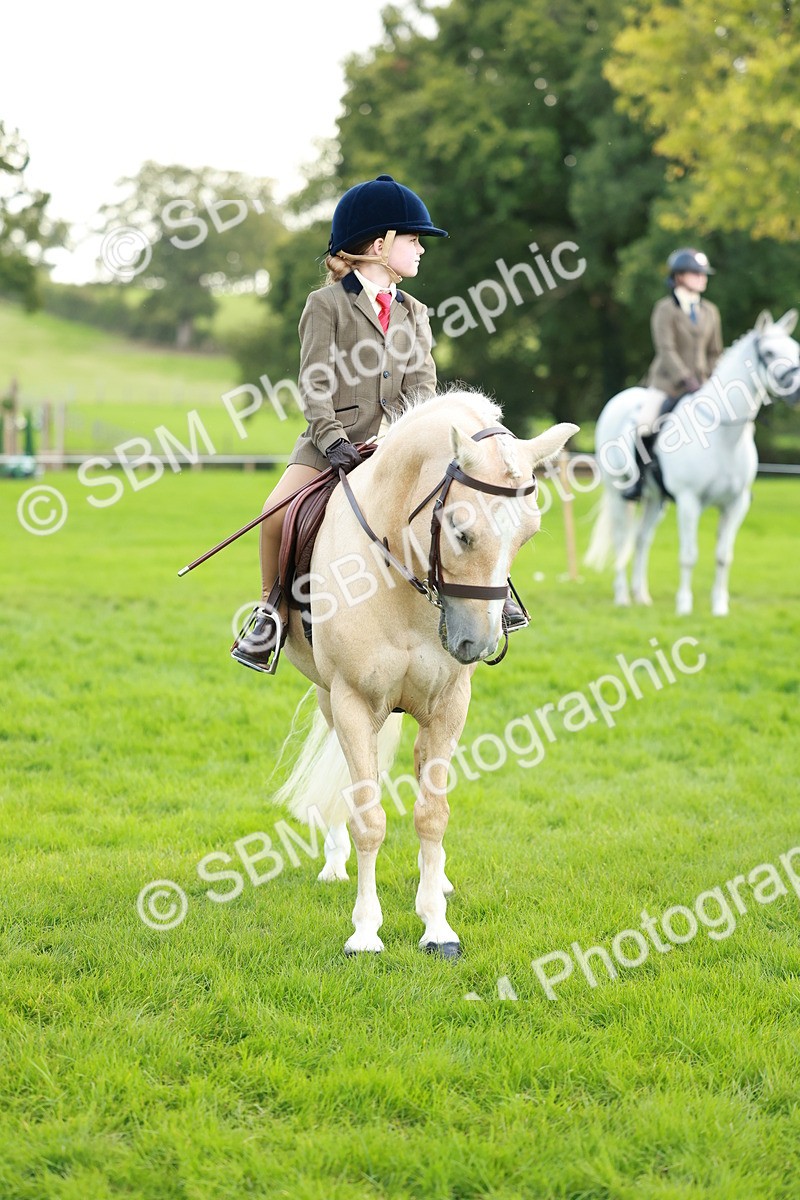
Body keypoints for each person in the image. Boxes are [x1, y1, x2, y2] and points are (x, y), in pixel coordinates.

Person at [231, 173, 529, 675]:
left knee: (464, 510)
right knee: (275, 514)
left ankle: (499, 593)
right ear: (379, 244)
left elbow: (423, 389)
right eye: (414, 240)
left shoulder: (415, 312)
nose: (421, 250)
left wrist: (405, 438)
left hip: (399, 448)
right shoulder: (324, 306)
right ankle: (272, 612)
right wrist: (334, 441)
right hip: (332, 445)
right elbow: (314, 385)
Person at [622, 247, 723, 501]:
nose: (703, 278)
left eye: (704, 274)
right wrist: (685, 378)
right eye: (696, 273)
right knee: (645, 424)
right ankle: (639, 480)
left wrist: (709, 379)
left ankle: (730, 480)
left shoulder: (710, 311)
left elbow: (715, 351)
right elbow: (666, 349)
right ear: (679, 277)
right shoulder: (665, 309)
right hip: (668, 383)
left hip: (702, 385)